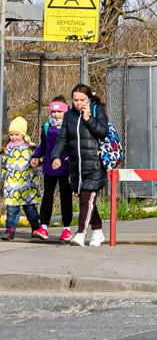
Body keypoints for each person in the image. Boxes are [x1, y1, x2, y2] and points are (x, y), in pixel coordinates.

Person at [59, 84, 110, 247]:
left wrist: (88, 119)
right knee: (86, 200)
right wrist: (55, 156)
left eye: (82, 100)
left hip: (95, 165)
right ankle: (97, 229)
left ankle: (80, 233)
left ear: (89, 99)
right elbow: (62, 138)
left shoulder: (97, 111)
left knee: (86, 199)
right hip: (77, 166)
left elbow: (103, 132)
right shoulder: (69, 116)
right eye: (75, 100)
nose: (78, 103)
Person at [34, 98, 72, 242]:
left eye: (59, 112)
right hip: (49, 168)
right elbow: (43, 145)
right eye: (54, 111)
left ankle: (67, 228)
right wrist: (36, 156)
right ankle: (43, 226)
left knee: (66, 197)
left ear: (65, 111)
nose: (56, 114)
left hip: (65, 168)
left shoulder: (70, 126)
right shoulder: (47, 126)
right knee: (47, 196)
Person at [3, 117, 43, 241]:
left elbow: (38, 160)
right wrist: (4, 176)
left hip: (27, 183)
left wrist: (36, 166)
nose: (14, 137)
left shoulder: (30, 148)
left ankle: (36, 226)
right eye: (11, 135)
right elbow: (3, 164)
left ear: (23, 134)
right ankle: (10, 230)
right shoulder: (7, 149)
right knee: (11, 208)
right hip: (12, 184)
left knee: (30, 208)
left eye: (16, 134)